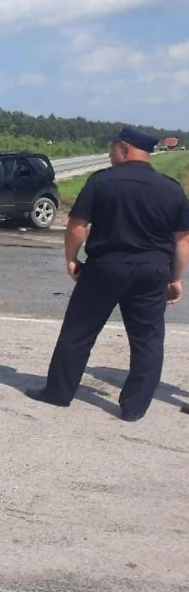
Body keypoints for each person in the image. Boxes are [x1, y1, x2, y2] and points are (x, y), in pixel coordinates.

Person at [27, 126, 189, 421]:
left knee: (78, 331)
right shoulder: (171, 188)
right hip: (152, 271)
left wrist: (71, 259)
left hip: (106, 267)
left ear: (124, 149)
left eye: (112, 148)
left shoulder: (102, 182)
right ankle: (134, 407)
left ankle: (59, 393)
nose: (110, 153)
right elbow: (182, 240)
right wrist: (176, 278)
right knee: (148, 339)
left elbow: (77, 226)